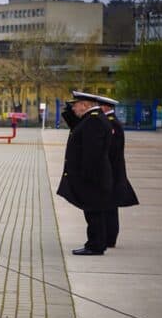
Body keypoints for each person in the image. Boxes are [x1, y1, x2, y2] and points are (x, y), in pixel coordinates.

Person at [57, 91, 115, 256]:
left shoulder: (93, 121)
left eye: (76, 105)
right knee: (93, 212)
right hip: (96, 177)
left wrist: (86, 177)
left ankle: (95, 245)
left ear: (85, 105)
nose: (74, 108)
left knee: (94, 213)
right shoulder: (92, 119)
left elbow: (93, 153)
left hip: (93, 178)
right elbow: (74, 122)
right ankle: (96, 243)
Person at [95, 94, 139, 247]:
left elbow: (111, 150)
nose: (98, 109)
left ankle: (110, 238)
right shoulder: (109, 122)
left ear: (106, 107)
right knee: (108, 205)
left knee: (110, 206)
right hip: (112, 171)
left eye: (99, 106)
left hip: (112, 172)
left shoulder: (111, 123)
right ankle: (108, 237)